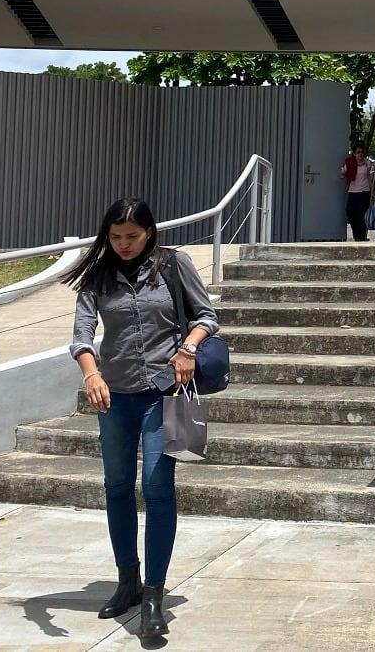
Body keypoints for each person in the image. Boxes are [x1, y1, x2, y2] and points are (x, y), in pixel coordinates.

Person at [66, 198, 219, 638]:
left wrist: (188, 348)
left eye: (131, 236)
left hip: (163, 391)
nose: (124, 245)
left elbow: (208, 316)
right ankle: (127, 580)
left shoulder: (173, 265)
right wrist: (91, 374)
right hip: (113, 396)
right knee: (116, 486)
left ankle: (153, 593)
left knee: (156, 484)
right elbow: (82, 333)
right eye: (115, 237)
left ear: (149, 232)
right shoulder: (98, 274)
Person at [340, 144, 375, 240]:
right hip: (353, 192)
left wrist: (372, 192)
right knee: (350, 213)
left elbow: (371, 179)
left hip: (364, 191)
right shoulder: (350, 163)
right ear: (354, 154)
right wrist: (343, 173)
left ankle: (361, 237)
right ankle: (357, 235)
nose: (360, 154)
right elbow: (343, 174)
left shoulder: (367, 163)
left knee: (360, 216)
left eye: (361, 152)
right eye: (358, 152)